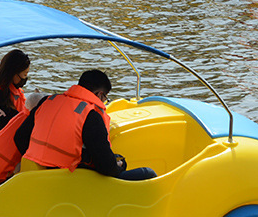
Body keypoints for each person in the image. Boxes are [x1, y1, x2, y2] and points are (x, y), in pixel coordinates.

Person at [13, 69, 155, 181]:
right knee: (147, 173)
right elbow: (106, 167)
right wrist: (120, 165)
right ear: (100, 95)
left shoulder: (48, 101)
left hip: (33, 175)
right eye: (105, 98)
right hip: (69, 183)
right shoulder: (90, 115)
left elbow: (19, 138)